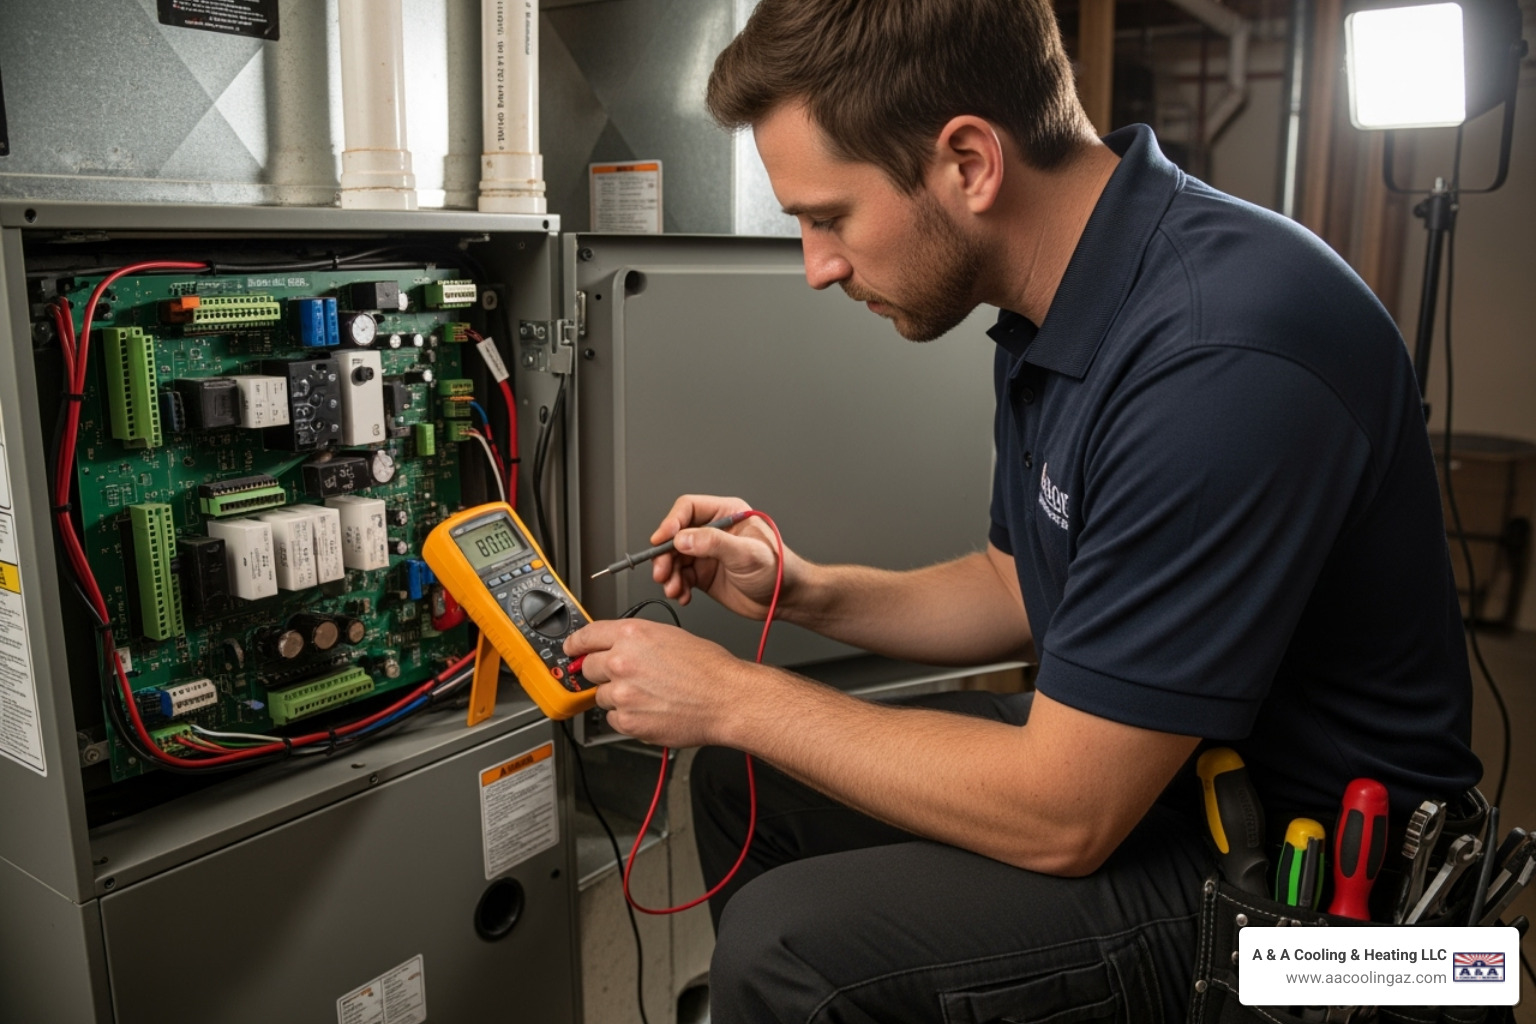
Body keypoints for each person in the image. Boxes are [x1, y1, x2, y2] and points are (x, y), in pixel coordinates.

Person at [563, 0, 1483, 1020]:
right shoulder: (1064, 303)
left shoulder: (1218, 359)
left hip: (1343, 925)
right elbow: (1017, 581)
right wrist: (805, 589)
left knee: (793, 954)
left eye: (829, 216)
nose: (819, 266)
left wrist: (735, 693)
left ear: (968, 162)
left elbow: (1065, 814)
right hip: (1164, 768)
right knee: (748, 784)